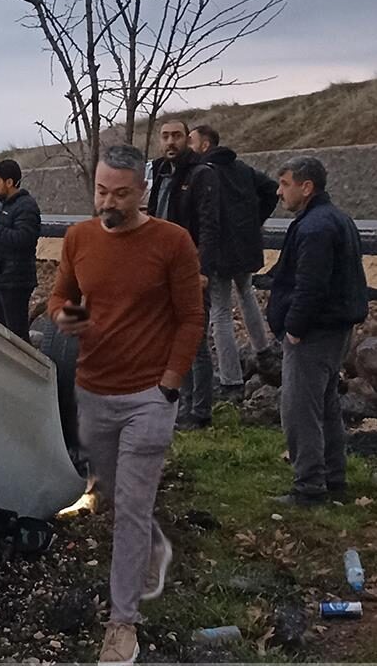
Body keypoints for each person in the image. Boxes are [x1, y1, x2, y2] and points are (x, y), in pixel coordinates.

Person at [49, 144, 205, 665]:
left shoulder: (172, 242)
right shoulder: (78, 238)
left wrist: (169, 382)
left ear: (141, 191)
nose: (106, 203)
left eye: (119, 194)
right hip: (93, 391)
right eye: (99, 191)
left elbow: (190, 317)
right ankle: (151, 548)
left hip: (147, 396)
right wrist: (66, 318)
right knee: (113, 496)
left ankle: (122, 625)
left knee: (132, 508)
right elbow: (58, 298)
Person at [267, 156, 367, 507]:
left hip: (314, 332)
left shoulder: (315, 227)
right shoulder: (334, 218)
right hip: (335, 328)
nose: (280, 192)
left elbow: (311, 284)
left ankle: (309, 487)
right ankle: (333, 477)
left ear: (305, 187)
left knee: (299, 410)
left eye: (284, 184)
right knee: (325, 406)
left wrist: (294, 327)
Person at [188, 125, 279, 394]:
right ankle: (263, 349)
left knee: (221, 312)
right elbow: (272, 189)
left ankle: (230, 379)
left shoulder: (204, 173)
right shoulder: (242, 169)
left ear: (205, 145)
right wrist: (255, 221)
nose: (188, 147)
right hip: (245, 246)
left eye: (191, 141)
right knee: (246, 292)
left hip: (217, 251)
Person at [147, 118, 220, 429]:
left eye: (176, 135)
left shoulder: (201, 174)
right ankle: (181, 401)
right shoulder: (161, 173)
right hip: (162, 270)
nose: (170, 141)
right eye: (165, 136)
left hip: (190, 270)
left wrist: (201, 268)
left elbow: (210, 226)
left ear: (187, 139)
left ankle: (200, 411)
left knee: (196, 341)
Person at [0, 159, 40, 341]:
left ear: (9, 183)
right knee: (3, 333)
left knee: (16, 335)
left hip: (15, 282)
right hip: (0, 279)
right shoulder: (3, 206)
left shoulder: (26, 206)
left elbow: (24, 238)